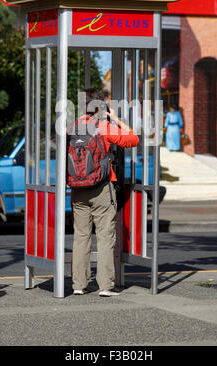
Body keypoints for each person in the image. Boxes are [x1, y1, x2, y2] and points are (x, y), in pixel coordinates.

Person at [69, 88, 139, 297]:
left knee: (81, 237)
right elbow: (133, 139)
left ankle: (79, 285)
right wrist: (116, 119)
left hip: (78, 189)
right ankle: (106, 286)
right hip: (102, 188)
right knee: (105, 237)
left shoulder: (72, 127)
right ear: (99, 107)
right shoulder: (103, 126)